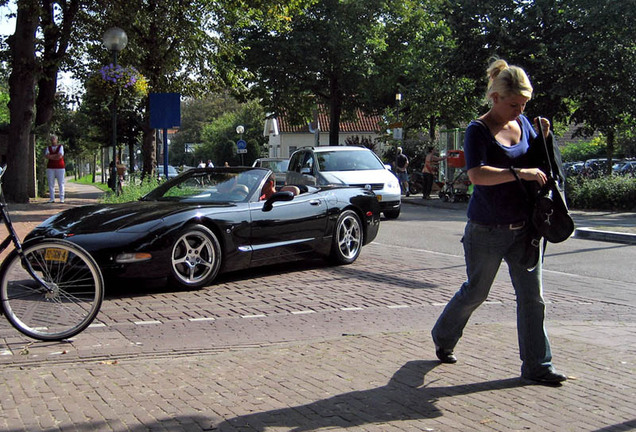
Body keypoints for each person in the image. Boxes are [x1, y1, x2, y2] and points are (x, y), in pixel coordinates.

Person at [431, 59, 567, 385]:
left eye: (523, 105)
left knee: (533, 298)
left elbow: (539, 164)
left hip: (526, 229)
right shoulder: (477, 130)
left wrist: (543, 139)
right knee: (476, 292)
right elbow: (477, 174)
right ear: (494, 97)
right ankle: (443, 336)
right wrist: (519, 172)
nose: (518, 111)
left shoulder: (525, 125)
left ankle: (538, 366)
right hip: (486, 229)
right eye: (513, 104)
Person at [44, 134, 65, 203]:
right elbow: (47, 156)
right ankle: (52, 198)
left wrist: (51, 156)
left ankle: (62, 198)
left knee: (61, 183)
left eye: (54, 139)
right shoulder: (48, 148)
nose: (53, 140)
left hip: (60, 167)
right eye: (51, 139)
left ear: (57, 140)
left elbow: (60, 156)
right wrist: (55, 156)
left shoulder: (60, 147)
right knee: (51, 183)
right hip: (50, 167)